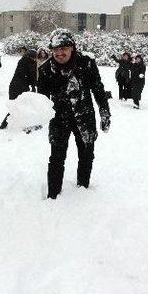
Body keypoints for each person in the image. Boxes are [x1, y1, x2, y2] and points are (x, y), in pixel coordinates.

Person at [38, 29, 111, 199]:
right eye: (55, 49)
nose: (59, 53)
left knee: (86, 155)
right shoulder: (45, 70)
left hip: (84, 117)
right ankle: (53, 195)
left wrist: (104, 111)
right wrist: (33, 118)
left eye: (63, 48)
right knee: (56, 158)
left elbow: (98, 89)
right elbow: (41, 100)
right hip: (58, 119)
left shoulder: (87, 63)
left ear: (73, 48)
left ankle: (83, 189)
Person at [0, 49, 38, 129]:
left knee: (17, 106)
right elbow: (31, 76)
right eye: (34, 57)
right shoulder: (28, 63)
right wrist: (34, 85)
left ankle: (5, 124)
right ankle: (6, 124)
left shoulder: (23, 61)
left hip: (15, 86)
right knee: (19, 106)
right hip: (19, 87)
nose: (35, 59)